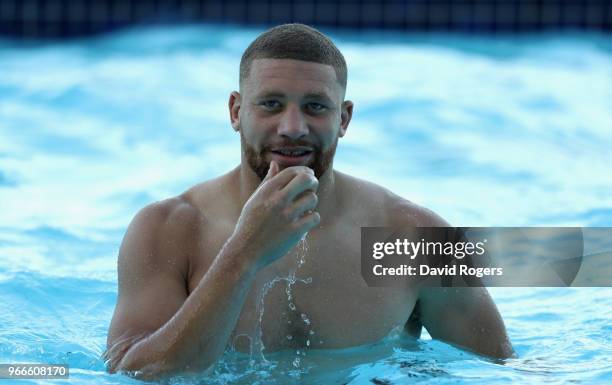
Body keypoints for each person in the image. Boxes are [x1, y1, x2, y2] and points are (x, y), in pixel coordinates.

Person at [105, 23, 513, 379]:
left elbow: (501, 372)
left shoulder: (409, 238)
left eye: (315, 107)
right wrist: (244, 252)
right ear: (235, 110)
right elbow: (137, 375)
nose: (293, 128)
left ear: (344, 119)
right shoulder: (172, 230)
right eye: (271, 104)